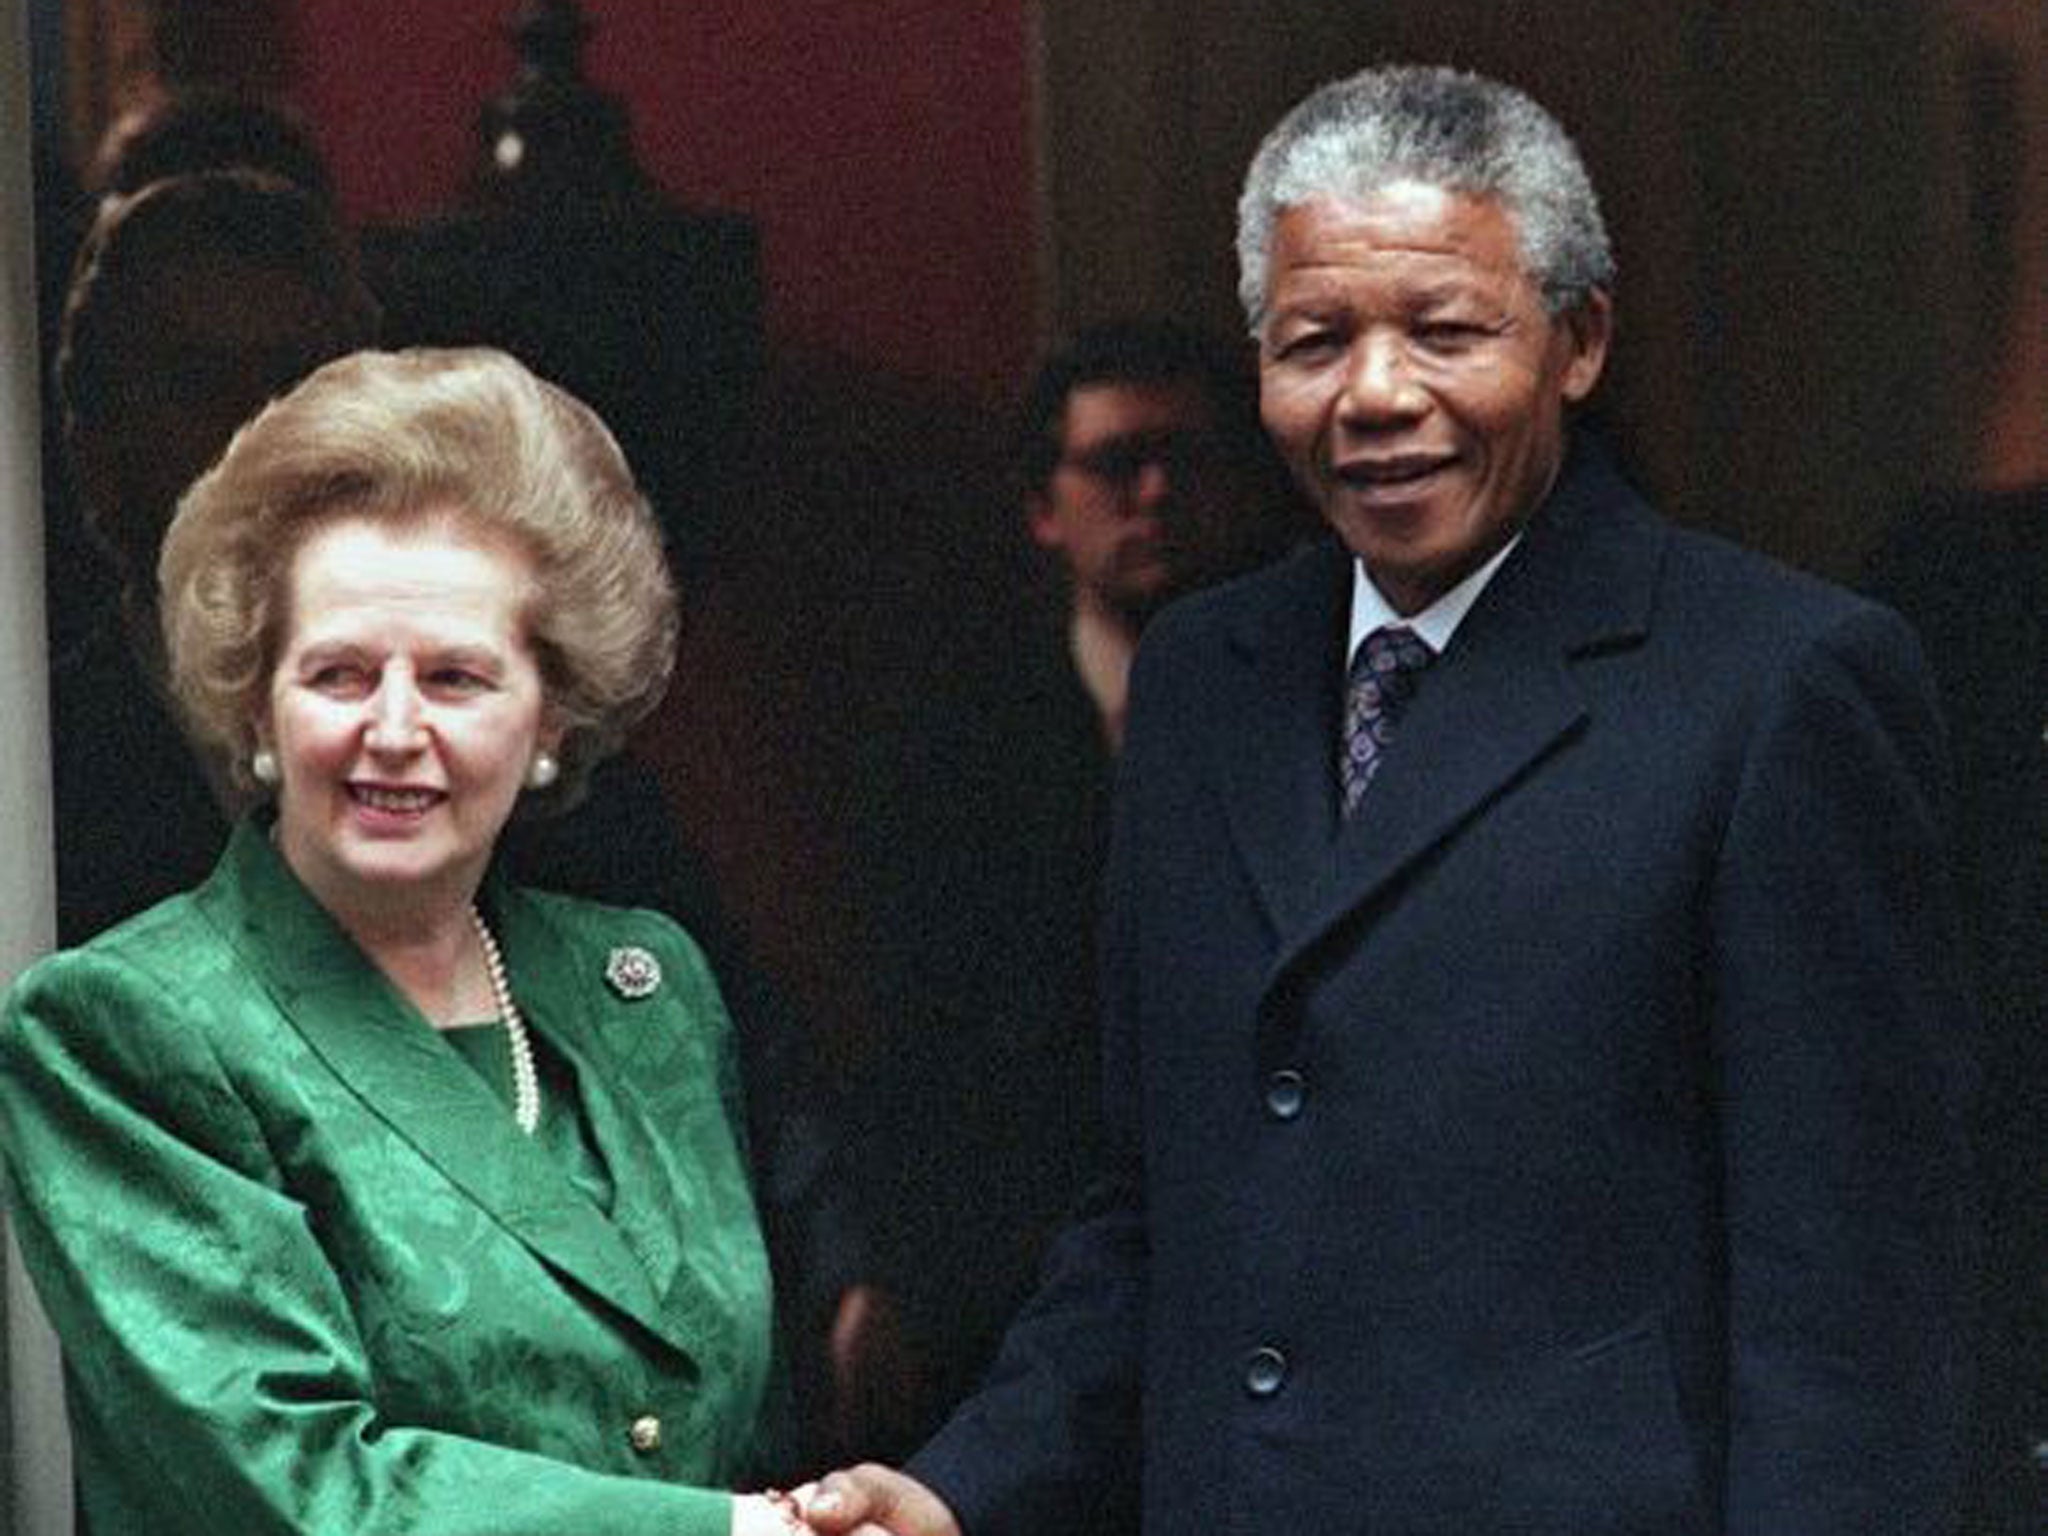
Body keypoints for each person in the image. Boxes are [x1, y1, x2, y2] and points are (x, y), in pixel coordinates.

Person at [802, 65, 1974, 1534]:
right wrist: (959, 1486)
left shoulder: (1775, 684)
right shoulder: (1204, 677)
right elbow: (1163, 1212)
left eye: (1444, 330)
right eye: (1316, 340)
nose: (1375, 395)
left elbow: (1850, 1298)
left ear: (1579, 340)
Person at [0, 348, 807, 1535]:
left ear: (550, 716)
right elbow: (291, 1488)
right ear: (257, 707)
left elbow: (729, 1413)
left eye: (456, 677)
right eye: (336, 673)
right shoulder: (125, 1026)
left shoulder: (640, 984)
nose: (392, 729)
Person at [828, 323, 1306, 1475]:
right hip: (1006, 1287)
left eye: (1187, 461)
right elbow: (902, 1036)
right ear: (1046, 506)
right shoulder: (949, 747)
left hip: (1266, 1269)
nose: (1154, 494)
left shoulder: (1326, 719)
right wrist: (873, 1269)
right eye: (1116, 463)